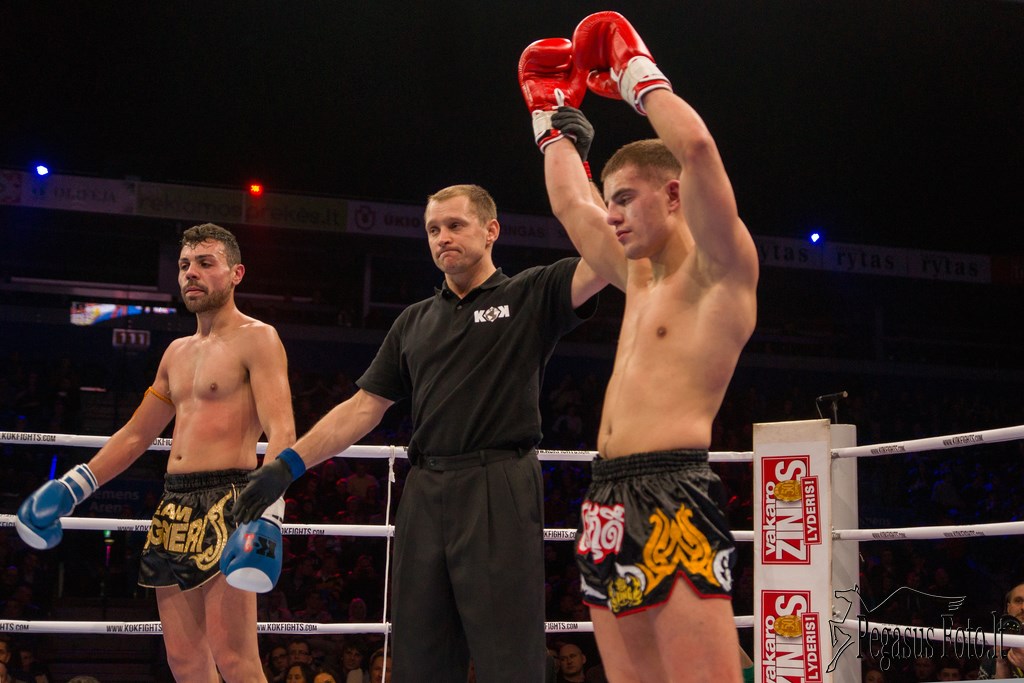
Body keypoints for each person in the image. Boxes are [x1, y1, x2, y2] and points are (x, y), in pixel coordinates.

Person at [228, 183, 606, 682]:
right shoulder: (414, 322)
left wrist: (577, 171)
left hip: (498, 481)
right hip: (425, 489)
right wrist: (287, 465)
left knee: (509, 654)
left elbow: (606, 257)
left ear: (491, 230)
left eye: (455, 225)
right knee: (419, 652)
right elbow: (364, 407)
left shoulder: (529, 293)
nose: (442, 237)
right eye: (433, 229)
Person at [523, 11, 759, 682]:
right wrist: (549, 119)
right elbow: (571, 207)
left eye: (625, 199)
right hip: (606, 493)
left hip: (673, 488)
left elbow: (699, 150)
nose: (613, 215)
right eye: (611, 200)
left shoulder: (719, 271)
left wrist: (637, 75)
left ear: (675, 196)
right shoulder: (637, 278)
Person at [13, 223, 296, 682]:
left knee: (235, 659)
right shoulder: (175, 353)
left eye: (205, 263)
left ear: (236, 273)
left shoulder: (258, 338)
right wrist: (72, 487)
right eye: (184, 265)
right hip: (173, 505)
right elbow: (135, 435)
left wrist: (268, 512)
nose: (191, 273)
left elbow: (283, 428)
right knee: (184, 661)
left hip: (229, 500)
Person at [979, 581, 1024, 679]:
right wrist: (1001, 663)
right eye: (1018, 601)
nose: (1023, 607)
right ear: (1008, 608)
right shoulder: (994, 653)